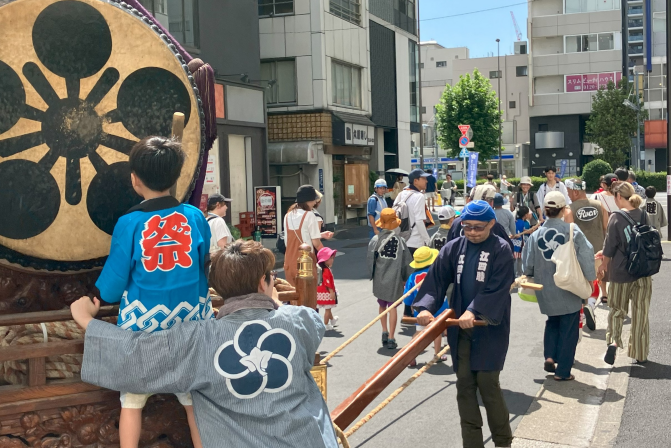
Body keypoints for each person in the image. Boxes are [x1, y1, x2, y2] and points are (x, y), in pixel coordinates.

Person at [72, 240, 338, 448]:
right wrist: (275, 303)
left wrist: (87, 321)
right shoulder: (297, 320)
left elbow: (139, 354)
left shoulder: (199, 338)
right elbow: (314, 324)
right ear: (263, 282)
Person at [94, 136, 210, 448]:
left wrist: (96, 300)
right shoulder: (195, 217)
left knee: (131, 402)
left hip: (143, 329)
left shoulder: (129, 223)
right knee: (194, 403)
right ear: (176, 177)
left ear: (134, 179)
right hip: (191, 327)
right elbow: (203, 265)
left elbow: (113, 284)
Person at [414, 200, 515, 448]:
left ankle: (503, 442)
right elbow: (436, 279)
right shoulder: (453, 247)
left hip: (489, 326)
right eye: (467, 226)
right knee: (464, 386)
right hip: (459, 326)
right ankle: (472, 443)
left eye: (478, 227)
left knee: (488, 385)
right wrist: (426, 306)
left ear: (492, 223)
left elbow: (498, 287)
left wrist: (474, 310)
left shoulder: (501, 249)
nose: (472, 232)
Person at [523, 191, 596, 381]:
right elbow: (587, 255)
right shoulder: (572, 230)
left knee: (552, 321)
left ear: (545, 211)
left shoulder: (535, 234)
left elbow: (527, 264)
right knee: (569, 328)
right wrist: (590, 279)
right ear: (564, 210)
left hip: (545, 287)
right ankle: (563, 371)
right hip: (569, 286)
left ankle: (549, 356)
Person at [598, 182, 652, 365]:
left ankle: (613, 342)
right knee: (640, 312)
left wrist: (603, 266)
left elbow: (609, 248)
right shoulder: (644, 215)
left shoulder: (616, 218)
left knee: (617, 310)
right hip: (643, 272)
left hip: (621, 272)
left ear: (618, 197)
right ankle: (640, 353)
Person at [563, 178, 607, 330]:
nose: (568, 195)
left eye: (569, 192)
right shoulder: (600, 205)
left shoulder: (569, 209)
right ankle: (591, 305)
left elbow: (568, 233)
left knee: (580, 285)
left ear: (575, 191)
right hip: (599, 252)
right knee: (595, 280)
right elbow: (606, 227)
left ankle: (582, 313)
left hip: (579, 254)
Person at [367, 208, 412, 349]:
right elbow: (406, 262)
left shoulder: (375, 240)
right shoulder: (401, 241)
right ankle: (392, 337)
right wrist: (406, 278)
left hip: (380, 277)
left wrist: (372, 274)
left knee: (382, 305)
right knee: (392, 308)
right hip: (395, 278)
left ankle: (384, 331)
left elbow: (370, 260)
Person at [403, 247, 449, 367]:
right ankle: (437, 354)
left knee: (419, 332)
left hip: (420, 309)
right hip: (439, 307)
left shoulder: (413, 277)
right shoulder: (438, 273)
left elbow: (407, 296)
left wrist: (409, 306)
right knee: (437, 331)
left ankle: (411, 355)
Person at [283, 185, 333, 286]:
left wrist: (321, 235)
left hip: (289, 260)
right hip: (306, 262)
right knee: (307, 296)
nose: (315, 202)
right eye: (314, 200)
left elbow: (288, 240)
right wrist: (326, 257)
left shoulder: (288, 215)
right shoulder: (309, 215)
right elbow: (316, 243)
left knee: (293, 295)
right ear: (308, 200)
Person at [448, 184, 514, 252]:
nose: (472, 232)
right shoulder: (491, 224)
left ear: (469, 200)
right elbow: (508, 250)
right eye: (490, 200)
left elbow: (448, 250)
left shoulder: (456, 222)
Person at [393, 169, 432, 254]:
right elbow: (419, 221)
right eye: (424, 178)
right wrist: (428, 241)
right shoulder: (419, 196)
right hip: (415, 242)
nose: (426, 181)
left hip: (402, 240)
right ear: (415, 181)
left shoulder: (401, 194)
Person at [316, 246, 339, 330]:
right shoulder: (325, 270)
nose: (332, 260)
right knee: (328, 309)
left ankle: (332, 320)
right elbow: (327, 282)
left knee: (328, 308)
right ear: (325, 260)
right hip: (326, 292)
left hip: (321, 291)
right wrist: (331, 292)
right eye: (331, 258)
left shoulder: (322, 269)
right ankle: (325, 324)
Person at [512, 206, 537, 277]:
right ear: (525, 215)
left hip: (514, 243)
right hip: (518, 244)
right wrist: (533, 229)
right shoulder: (523, 223)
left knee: (515, 259)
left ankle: (515, 274)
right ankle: (517, 274)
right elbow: (526, 231)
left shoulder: (516, 221)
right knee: (518, 260)